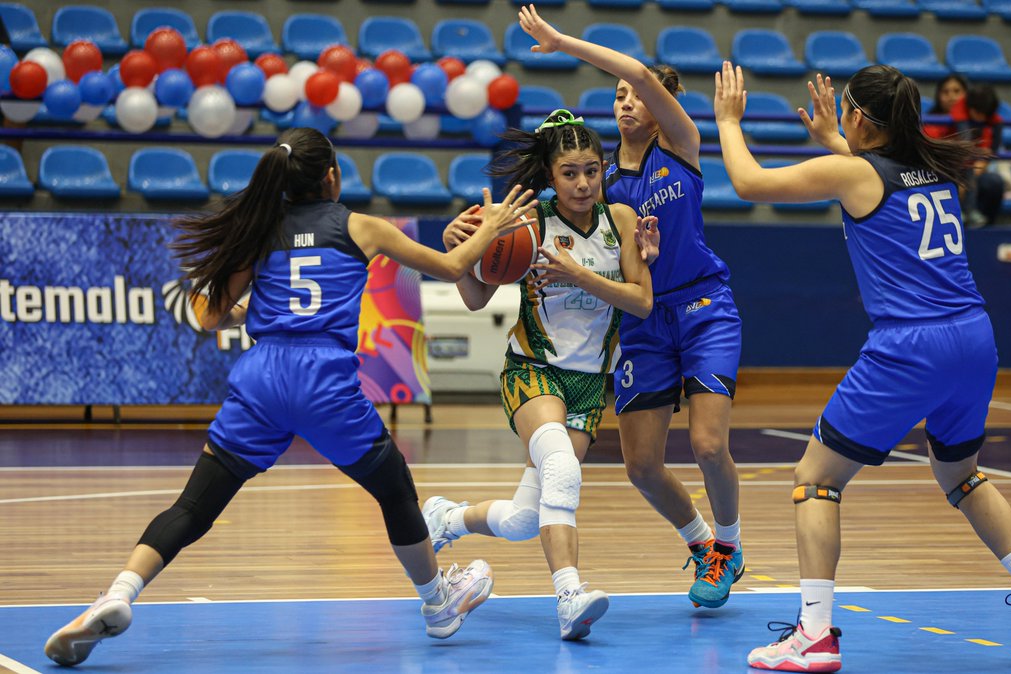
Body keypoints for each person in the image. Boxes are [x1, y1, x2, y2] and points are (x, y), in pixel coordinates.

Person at [44, 127, 537, 666]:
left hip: (262, 376)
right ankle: (438, 603)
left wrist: (252, 311)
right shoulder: (361, 226)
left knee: (193, 506)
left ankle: (119, 592)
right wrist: (491, 228)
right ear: (332, 177)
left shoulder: (259, 230)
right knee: (395, 489)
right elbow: (451, 267)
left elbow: (208, 317)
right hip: (322, 377)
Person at [713, 64, 1011, 672]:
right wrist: (834, 138)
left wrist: (727, 120)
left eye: (845, 112)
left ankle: (813, 635)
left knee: (815, 480)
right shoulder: (933, 171)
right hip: (974, 338)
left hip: (912, 345)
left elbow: (748, 183)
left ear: (860, 117)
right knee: (962, 476)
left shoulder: (856, 173)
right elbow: (874, 182)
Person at [517, 4, 748, 611]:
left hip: (703, 307)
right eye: (618, 94)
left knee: (707, 445)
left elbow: (642, 74)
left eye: (637, 94)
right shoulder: (601, 187)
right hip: (643, 322)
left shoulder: (682, 147)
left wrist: (561, 41)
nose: (627, 100)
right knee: (642, 465)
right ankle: (700, 542)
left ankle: (729, 544)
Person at [422, 109, 656, 640]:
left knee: (525, 519)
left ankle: (446, 519)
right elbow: (476, 298)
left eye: (592, 171)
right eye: (570, 173)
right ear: (550, 175)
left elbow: (641, 302)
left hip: (590, 382)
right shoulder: (528, 223)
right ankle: (569, 596)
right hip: (533, 370)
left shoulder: (621, 220)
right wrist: (458, 249)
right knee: (561, 467)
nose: (583, 183)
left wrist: (578, 275)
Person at [953, 84, 1007, 228]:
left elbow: (995, 141)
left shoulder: (991, 116)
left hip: (974, 166)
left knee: (992, 182)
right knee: (966, 176)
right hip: (957, 165)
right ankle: (962, 212)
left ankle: (977, 218)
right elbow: (965, 143)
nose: (981, 118)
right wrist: (975, 156)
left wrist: (985, 160)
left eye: (985, 114)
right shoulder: (960, 111)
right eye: (978, 113)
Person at [922, 73, 968, 140]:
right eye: (945, 92)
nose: (951, 97)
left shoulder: (977, 120)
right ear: (938, 96)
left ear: (966, 94)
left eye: (956, 91)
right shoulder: (929, 126)